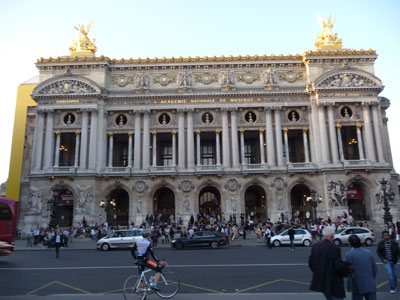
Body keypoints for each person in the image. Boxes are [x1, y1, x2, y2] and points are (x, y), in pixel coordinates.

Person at [309, 226, 347, 300]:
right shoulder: (335, 248)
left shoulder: (315, 247)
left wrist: (318, 271)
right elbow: (338, 266)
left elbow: (311, 263)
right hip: (334, 282)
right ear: (332, 236)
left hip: (321, 281)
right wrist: (346, 269)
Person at [345, 234, 377, 300]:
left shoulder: (349, 255)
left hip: (357, 286)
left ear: (350, 243)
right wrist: (371, 278)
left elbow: (349, 273)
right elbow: (374, 268)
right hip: (370, 284)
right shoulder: (368, 252)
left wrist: (349, 287)